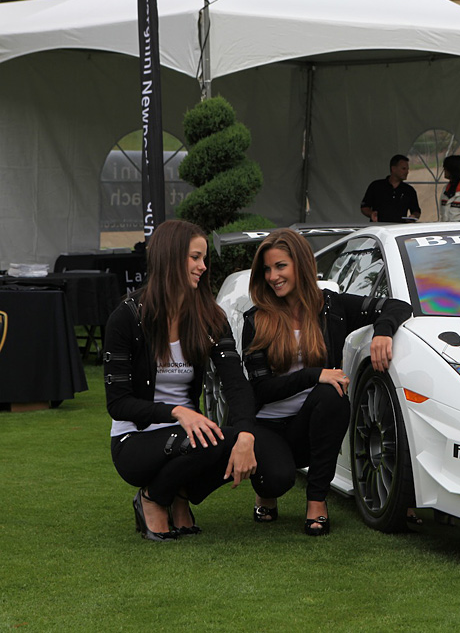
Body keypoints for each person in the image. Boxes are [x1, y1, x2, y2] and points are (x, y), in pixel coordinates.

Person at [241, 229, 412, 536]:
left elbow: (397, 306)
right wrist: (313, 374)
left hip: (311, 422)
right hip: (268, 427)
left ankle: (317, 500)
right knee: (279, 479)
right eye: (267, 269)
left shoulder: (330, 306)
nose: (272, 276)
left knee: (333, 396)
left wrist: (383, 331)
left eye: (281, 266)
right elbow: (260, 390)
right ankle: (266, 490)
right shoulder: (256, 319)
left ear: (301, 265)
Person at [105, 219, 258, 542]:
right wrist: (177, 412)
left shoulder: (209, 317)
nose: (203, 267)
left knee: (245, 443)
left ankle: (178, 494)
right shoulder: (128, 317)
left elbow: (235, 383)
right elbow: (118, 404)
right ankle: (152, 498)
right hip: (135, 442)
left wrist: (245, 433)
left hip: (189, 435)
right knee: (201, 439)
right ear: (169, 257)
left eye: (204, 259)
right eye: (194, 258)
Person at [360, 154, 421, 223]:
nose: (407, 172)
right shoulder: (376, 186)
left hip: (399, 229)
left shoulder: (409, 190)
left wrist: (413, 216)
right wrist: (371, 214)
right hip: (378, 228)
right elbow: (364, 207)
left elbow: (416, 211)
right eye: (403, 169)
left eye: (407, 169)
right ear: (393, 169)